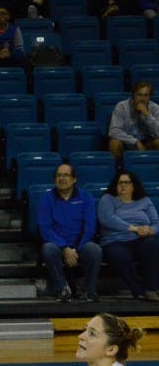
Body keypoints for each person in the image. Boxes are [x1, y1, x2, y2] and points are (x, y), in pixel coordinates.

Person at [36, 163, 102, 302]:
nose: (62, 178)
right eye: (58, 175)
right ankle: (62, 289)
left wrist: (76, 249)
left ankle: (89, 291)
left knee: (94, 249)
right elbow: (45, 228)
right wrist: (65, 248)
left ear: (74, 179)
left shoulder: (86, 197)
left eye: (66, 175)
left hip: (80, 245)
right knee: (48, 249)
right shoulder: (46, 198)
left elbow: (90, 227)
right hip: (57, 245)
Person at [97, 171, 159, 301]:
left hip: (140, 239)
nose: (123, 185)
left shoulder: (144, 200)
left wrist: (150, 230)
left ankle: (151, 289)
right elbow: (107, 219)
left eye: (127, 182)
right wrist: (134, 228)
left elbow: (156, 222)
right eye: (120, 182)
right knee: (120, 256)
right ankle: (138, 290)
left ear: (134, 186)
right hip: (114, 240)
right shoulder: (108, 198)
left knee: (152, 243)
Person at [108, 81, 159, 160]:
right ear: (133, 95)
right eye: (139, 95)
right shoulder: (121, 107)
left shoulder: (155, 108)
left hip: (147, 144)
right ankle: (118, 167)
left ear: (150, 97)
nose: (142, 99)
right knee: (114, 143)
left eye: (146, 95)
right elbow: (113, 131)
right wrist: (135, 141)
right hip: (127, 144)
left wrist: (148, 115)